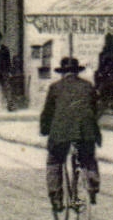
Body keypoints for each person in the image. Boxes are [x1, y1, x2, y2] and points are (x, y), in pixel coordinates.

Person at [40, 56, 100, 211]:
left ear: (63, 73)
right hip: (85, 132)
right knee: (88, 157)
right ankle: (92, 185)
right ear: (76, 72)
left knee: (54, 161)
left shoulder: (55, 87)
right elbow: (95, 111)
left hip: (61, 134)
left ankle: (56, 199)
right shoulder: (88, 86)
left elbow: (47, 113)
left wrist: (44, 130)